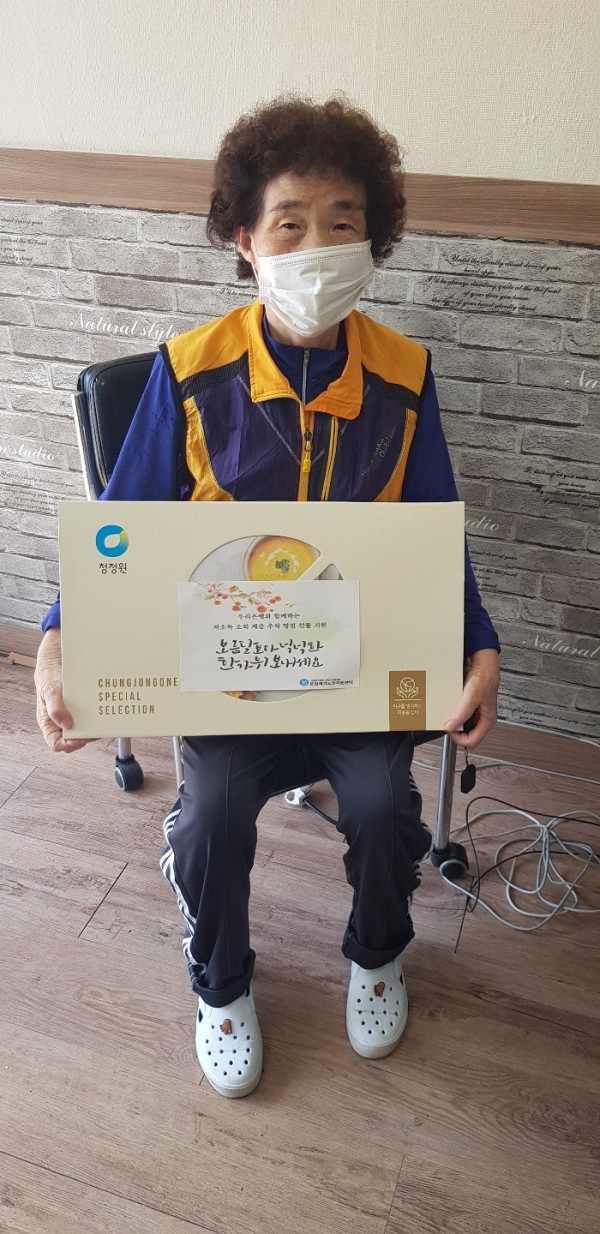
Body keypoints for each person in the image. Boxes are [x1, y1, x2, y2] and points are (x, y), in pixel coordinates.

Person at [35, 95, 500, 1100]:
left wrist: (480, 646)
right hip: (227, 674)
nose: (318, 246)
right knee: (207, 819)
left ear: (373, 238)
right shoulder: (189, 374)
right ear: (246, 240)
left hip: (356, 670)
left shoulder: (404, 378)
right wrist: (59, 638)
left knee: (380, 806)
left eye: (343, 222)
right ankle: (221, 984)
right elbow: (119, 526)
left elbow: (436, 533)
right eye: (290, 223)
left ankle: (377, 953)